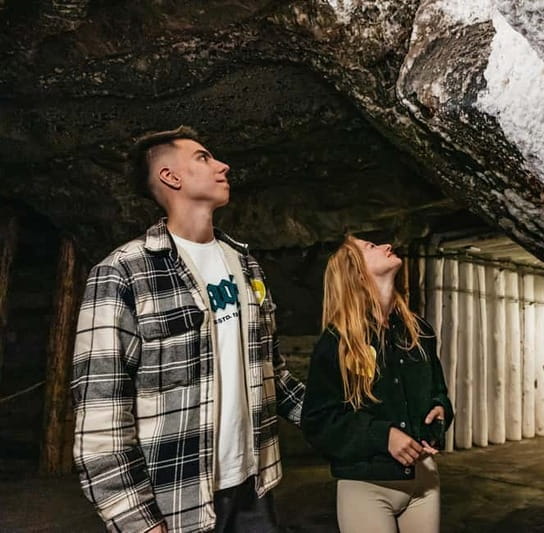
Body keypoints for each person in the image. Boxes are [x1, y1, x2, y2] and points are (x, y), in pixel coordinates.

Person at [72, 126, 304, 533]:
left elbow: (274, 375)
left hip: (255, 491)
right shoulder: (124, 272)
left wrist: (357, 421)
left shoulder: (246, 266)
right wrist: (137, 521)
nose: (222, 165)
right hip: (178, 502)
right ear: (170, 177)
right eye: (203, 157)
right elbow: (101, 415)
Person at [301, 235, 454, 533]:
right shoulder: (337, 342)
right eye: (371, 247)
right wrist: (383, 436)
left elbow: (439, 392)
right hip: (366, 486)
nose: (386, 246)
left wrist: (440, 411)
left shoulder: (419, 331)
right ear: (356, 273)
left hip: (423, 479)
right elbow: (318, 421)